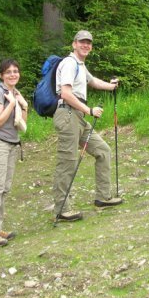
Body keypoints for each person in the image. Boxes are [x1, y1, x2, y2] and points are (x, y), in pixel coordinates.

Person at [53, 30, 122, 222]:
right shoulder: (68, 63)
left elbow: (93, 82)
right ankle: (61, 209)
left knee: (103, 151)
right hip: (68, 114)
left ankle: (103, 196)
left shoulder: (80, 65)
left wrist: (111, 86)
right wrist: (89, 110)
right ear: (74, 44)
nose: (86, 45)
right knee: (67, 162)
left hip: (78, 116)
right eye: (82, 42)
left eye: (89, 43)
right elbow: (66, 93)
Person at [0, 59, 28, 246]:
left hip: (12, 144)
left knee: (4, 188)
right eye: (8, 71)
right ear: (1, 75)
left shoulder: (15, 93)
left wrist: (23, 105)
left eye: (15, 71)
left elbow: (22, 125)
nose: (12, 74)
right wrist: (11, 103)